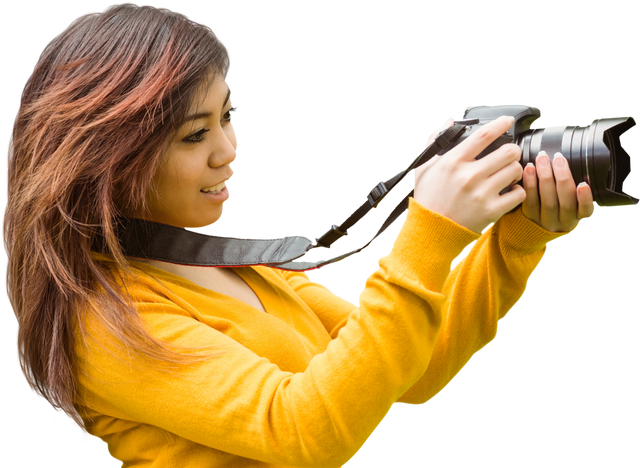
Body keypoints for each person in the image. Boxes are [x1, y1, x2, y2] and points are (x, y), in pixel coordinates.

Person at [1, 2, 597, 467]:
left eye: (228, 118)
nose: (228, 152)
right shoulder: (105, 321)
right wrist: (430, 230)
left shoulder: (230, 268)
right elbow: (306, 431)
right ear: (106, 159)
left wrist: (517, 240)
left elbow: (410, 370)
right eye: (193, 136)